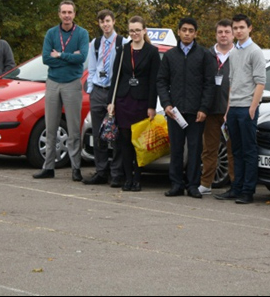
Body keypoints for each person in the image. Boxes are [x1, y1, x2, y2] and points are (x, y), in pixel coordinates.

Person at [157, 17, 216, 199]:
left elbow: (209, 84)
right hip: (174, 113)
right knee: (176, 149)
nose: (187, 33)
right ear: (179, 32)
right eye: (184, 30)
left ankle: (193, 185)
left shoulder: (204, 55)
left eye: (191, 30)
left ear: (196, 33)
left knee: (195, 149)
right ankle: (176, 184)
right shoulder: (170, 56)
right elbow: (161, 81)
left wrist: (204, 108)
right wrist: (166, 104)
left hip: (196, 113)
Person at [33, 0, 89, 181]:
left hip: (72, 83)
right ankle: (48, 166)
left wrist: (60, 55)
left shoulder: (82, 34)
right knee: (51, 127)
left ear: (74, 14)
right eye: (64, 12)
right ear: (59, 14)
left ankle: (75, 168)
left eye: (70, 12)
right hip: (53, 83)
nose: (67, 15)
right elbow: (46, 59)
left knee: (73, 128)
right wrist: (69, 57)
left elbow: (82, 58)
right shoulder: (51, 33)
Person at [214, 14, 265, 205]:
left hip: (247, 109)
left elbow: (260, 82)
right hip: (234, 108)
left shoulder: (255, 52)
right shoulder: (234, 53)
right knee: (236, 150)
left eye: (241, 27)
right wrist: (228, 110)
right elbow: (231, 83)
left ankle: (247, 191)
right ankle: (236, 187)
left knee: (249, 150)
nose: (238, 31)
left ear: (249, 28)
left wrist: (253, 107)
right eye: (235, 28)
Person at [107, 16, 160, 191]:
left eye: (138, 30)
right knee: (125, 142)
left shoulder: (152, 52)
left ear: (144, 30)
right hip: (123, 100)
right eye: (131, 31)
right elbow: (115, 77)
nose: (135, 33)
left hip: (142, 102)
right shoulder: (123, 50)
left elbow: (154, 81)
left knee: (139, 143)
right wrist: (111, 102)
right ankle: (127, 178)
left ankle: (137, 178)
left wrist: (151, 106)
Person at [83, 10, 128, 187]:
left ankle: (116, 173)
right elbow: (92, 68)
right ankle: (101, 171)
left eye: (108, 21)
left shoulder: (122, 43)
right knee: (98, 134)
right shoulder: (95, 43)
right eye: (102, 22)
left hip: (114, 92)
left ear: (114, 22)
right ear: (99, 24)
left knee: (115, 134)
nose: (105, 25)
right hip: (98, 91)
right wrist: (91, 89)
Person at [198, 19, 235, 195]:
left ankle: (235, 184)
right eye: (220, 32)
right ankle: (206, 183)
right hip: (211, 110)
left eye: (227, 32)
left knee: (232, 149)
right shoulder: (207, 55)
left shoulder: (239, 54)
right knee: (209, 149)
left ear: (233, 34)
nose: (223, 35)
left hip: (232, 111)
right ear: (216, 34)